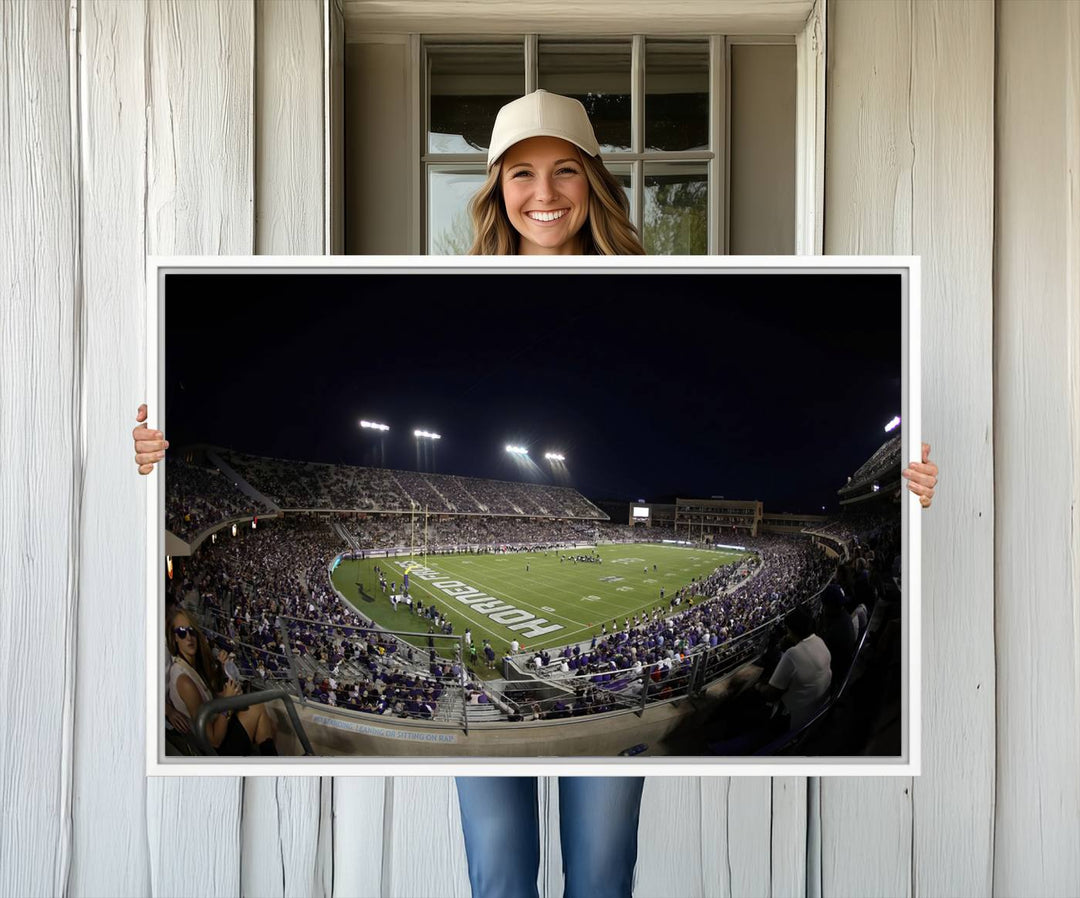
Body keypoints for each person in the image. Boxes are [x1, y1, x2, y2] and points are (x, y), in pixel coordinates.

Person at [133, 88, 940, 898]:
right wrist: (148, 460)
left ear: (594, 180)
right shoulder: (455, 280)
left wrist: (912, 487)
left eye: (564, 171)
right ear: (495, 189)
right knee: (500, 873)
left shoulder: (648, 276)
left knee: (600, 872)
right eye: (520, 174)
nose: (544, 194)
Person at [166, 608, 277, 755]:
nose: (188, 637)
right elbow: (213, 740)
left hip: (217, 727)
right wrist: (227, 702)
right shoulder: (184, 681)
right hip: (213, 748)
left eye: (191, 631)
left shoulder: (191, 668)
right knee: (258, 711)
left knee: (262, 713)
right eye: (181, 632)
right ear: (174, 638)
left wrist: (224, 695)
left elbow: (208, 700)